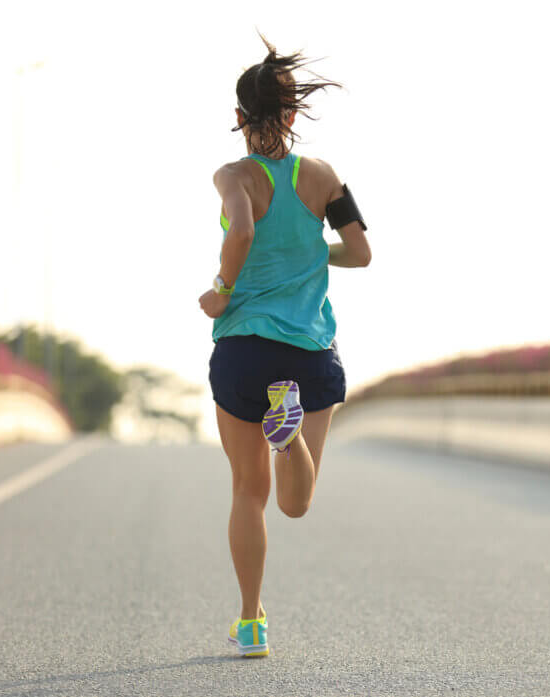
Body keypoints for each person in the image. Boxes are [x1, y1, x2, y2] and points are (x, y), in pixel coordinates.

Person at [199, 37, 371, 658]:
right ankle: (289, 433)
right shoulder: (323, 177)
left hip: (245, 348)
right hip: (309, 354)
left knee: (249, 491)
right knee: (297, 502)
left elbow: (241, 228)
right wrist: (309, 254)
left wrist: (222, 289)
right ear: (295, 116)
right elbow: (361, 253)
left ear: (239, 117)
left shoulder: (232, 176)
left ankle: (250, 622)